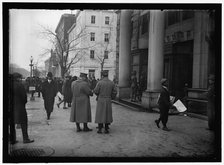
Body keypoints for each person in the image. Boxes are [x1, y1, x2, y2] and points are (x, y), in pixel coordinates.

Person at [10, 72, 34, 144]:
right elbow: (24, 97)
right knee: (24, 123)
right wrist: (23, 103)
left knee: (11, 124)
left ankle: (12, 140)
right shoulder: (20, 85)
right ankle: (25, 139)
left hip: (11, 107)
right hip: (20, 107)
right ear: (18, 78)